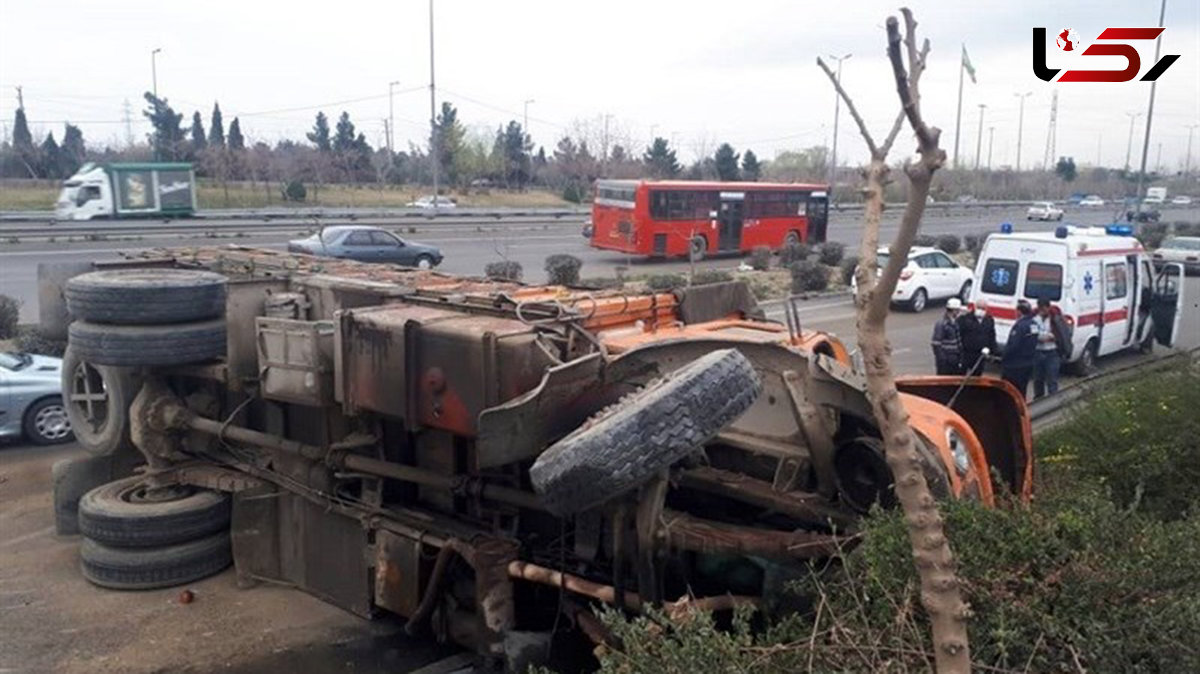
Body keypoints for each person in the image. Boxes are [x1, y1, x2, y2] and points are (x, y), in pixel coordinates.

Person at [1032, 296, 1072, 398]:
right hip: (1038, 351)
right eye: (1040, 308)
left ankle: (1053, 400)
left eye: (1044, 308)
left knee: (1052, 379)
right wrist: (1038, 338)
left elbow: (1064, 333)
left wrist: (1054, 338)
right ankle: (1038, 399)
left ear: (1048, 307)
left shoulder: (1055, 318)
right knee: (1038, 379)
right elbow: (1032, 332)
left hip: (1052, 352)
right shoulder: (1034, 318)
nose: (1042, 311)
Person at [1001, 299, 1038, 399]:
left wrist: (1003, 356)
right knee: (1022, 391)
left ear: (1019, 311)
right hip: (1028, 363)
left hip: (1014, 365)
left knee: (1009, 391)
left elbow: (1013, 345)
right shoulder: (1034, 324)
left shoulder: (1020, 326)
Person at [957, 299, 997, 376]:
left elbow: (991, 336)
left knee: (977, 376)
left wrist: (993, 351)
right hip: (966, 353)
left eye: (983, 308)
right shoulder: (965, 319)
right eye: (979, 308)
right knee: (961, 375)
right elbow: (959, 334)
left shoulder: (989, 320)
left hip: (980, 355)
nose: (981, 310)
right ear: (975, 307)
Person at [931, 298, 964, 375]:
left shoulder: (956, 323)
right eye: (958, 310)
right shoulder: (942, 324)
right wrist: (942, 359)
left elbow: (958, 342)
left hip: (954, 359)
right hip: (945, 361)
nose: (959, 312)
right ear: (954, 310)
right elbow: (936, 344)